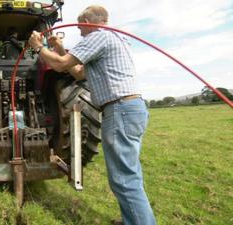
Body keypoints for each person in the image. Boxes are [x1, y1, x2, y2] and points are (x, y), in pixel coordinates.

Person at [28, 5, 156, 225]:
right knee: (128, 173)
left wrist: (38, 48)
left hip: (119, 111)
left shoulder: (98, 36)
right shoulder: (114, 39)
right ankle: (131, 220)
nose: (79, 32)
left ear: (88, 22)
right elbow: (78, 73)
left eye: (80, 27)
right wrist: (60, 47)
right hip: (131, 109)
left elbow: (60, 66)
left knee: (124, 179)